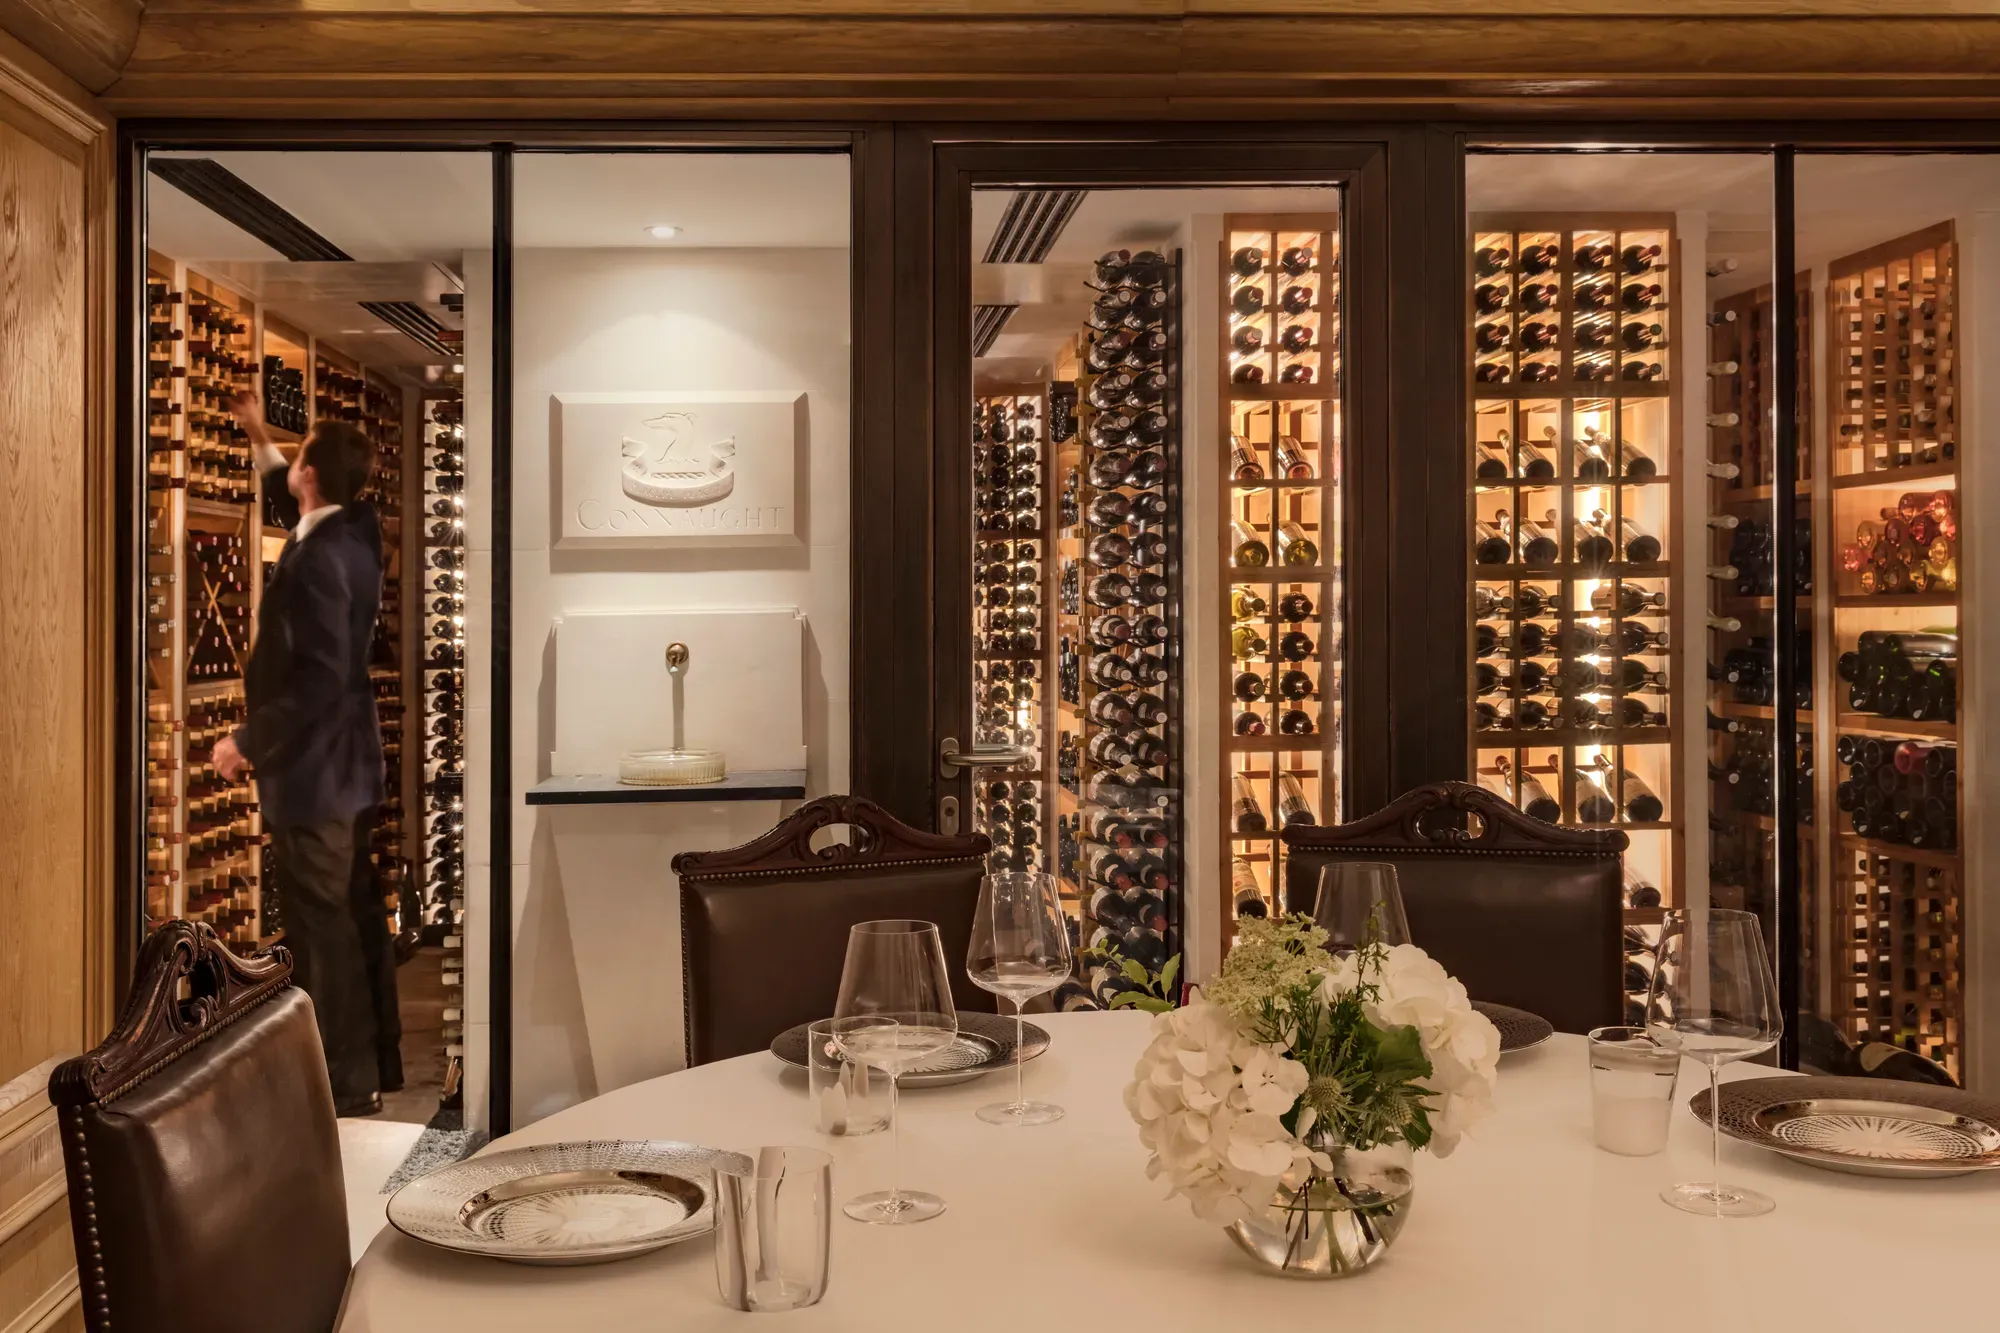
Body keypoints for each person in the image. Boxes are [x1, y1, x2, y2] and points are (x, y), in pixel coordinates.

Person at [213, 393, 391, 1116]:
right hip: (348, 767)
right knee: (352, 915)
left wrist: (247, 741)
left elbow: (319, 675)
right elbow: (297, 513)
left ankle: (344, 1083)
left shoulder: (321, 560)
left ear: (312, 474)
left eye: (299, 452)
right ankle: (374, 1063)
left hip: (315, 773)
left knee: (322, 932)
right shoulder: (350, 535)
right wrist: (259, 436)